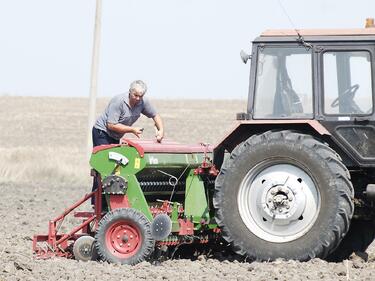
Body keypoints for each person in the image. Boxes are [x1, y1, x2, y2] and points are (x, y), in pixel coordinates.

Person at [92, 80, 164, 146]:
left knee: (114, 159)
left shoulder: (143, 102)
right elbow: (111, 125)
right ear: (130, 91)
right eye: (135, 95)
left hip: (116, 136)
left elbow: (155, 115)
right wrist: (132, 129)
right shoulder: (118, 101)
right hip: (102, 132)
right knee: (104, 158)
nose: (138, 98)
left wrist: (161, 130)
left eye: (141, 96)